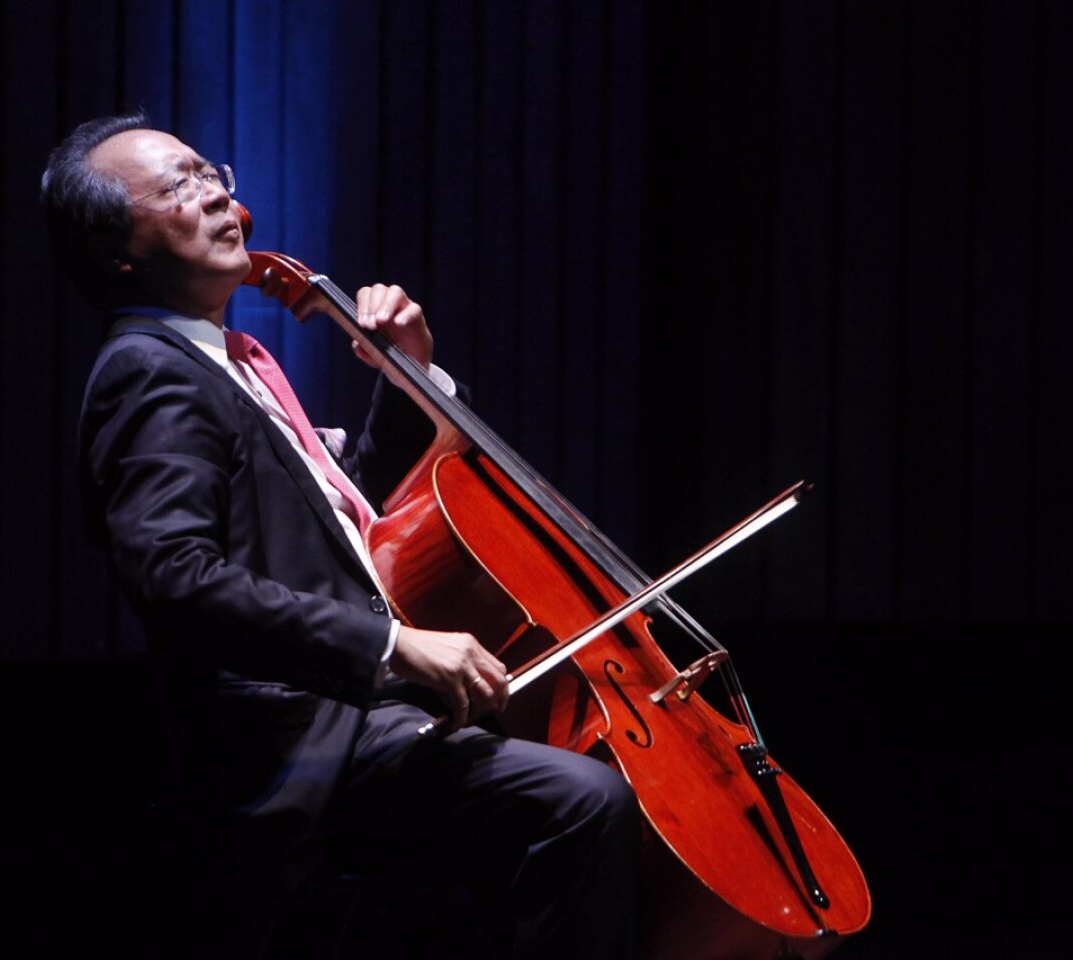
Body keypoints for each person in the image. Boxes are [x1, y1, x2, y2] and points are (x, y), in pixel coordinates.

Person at [41, 112, 638, 959]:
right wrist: (392, 645)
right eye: (177, 186)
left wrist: (406, 374)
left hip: (368, 717)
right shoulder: (148, 370)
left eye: (211, 172)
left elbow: (345, 520)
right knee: (582, 802)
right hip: (304, 746)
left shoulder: (228, 364)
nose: (215, 194)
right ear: (118, 253)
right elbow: (174, 575)